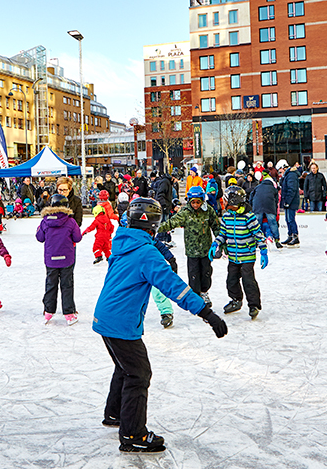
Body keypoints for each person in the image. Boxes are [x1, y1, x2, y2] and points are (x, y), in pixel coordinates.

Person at [92, 197, 227, 454]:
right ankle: (133, 434)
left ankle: (115, 414)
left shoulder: (124, 243)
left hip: (106, 317)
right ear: (153, 225)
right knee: (138, 374)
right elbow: (175, 287)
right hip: (120, 322)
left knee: (125, 368)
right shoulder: (145, 253)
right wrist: (207, 314)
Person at [209, 185, 267, 320]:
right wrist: (216, 243)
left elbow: (258, 234)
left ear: (233, 201)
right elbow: (223, 233)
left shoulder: (249, 217)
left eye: (225, 200)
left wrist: (263, 250)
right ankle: (236, 300)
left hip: (247, 255)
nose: (223, 202)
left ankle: (254, 305)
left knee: (248, 281)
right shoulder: (227, 216)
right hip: (233, 256)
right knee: (231, 280)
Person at [156, 185, 219, 306]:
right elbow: (172, 222)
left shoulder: (208, 211)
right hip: (192, 250)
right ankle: (196, 296)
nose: (195, 205)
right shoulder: (185, 213)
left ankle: (204, 292)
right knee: (193, 274)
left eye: (198, 202)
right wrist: (156, 228)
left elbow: (216, 226)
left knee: (206, 272)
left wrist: (220, 241)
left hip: (206, 249)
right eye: (193, 202)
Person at [35, 193, 82, 325]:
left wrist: (40, 229)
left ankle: (48, 311)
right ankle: (69, 313)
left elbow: (40, 238)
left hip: (51, 259)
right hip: (67, 259)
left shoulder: (45, 221)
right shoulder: (71, 221)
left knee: (51, 284)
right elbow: (77, 238)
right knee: (67, 285)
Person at [250, 173, 282, 248]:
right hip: (269, 207)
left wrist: (253, 206)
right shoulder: (273, 189)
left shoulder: (257, 187)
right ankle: (277, 240)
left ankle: (256, 241)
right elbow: (277, 200)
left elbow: (251, 197)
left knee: (257, 225)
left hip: (257, 207)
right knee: (273, 224)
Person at [278, 160, 301, 247]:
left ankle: (295, 236)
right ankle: (290, 235)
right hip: (289, 200)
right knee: (288, 219)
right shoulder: (287, 175)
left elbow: (291, 189)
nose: (280, 172)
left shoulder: (291, 175)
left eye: (280, 169)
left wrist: (287, 201)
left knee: (291, 219)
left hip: (291, 201)